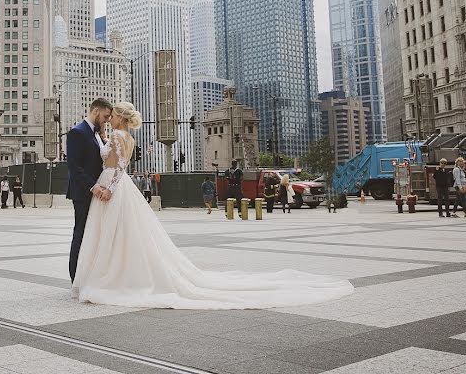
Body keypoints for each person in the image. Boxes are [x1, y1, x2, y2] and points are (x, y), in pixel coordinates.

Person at [71, 101, 353, 309]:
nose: (108, 120)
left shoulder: (118, 136)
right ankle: (114, 274)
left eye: (112, 116)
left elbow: (119, 165)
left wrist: (107, 186)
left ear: (119, 116)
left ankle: (110, 276)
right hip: (116, 187)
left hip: (112, 185)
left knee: (111, 233)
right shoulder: (125, 136)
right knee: (119, 234)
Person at [66, 97, 112, 282]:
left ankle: (89, 275)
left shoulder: (97, 134)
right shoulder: (77, 132)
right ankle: (75, 277)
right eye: (106, 116)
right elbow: (74, 167)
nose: (107, 120)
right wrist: (93, 187)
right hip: (84, 192)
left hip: (96, 190)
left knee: (93, 234)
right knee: (81, 233)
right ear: (96, 111)